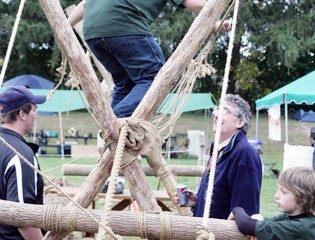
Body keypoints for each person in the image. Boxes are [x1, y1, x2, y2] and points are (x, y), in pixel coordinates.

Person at [68, 0, 231, 118]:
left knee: (126, 84)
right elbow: (200, 5)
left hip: (92, 32)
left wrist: (65, 28)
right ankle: (114, 122)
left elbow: (84, 4)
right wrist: (215, 22)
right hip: (123, 26)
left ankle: (112, 132)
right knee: (155, 77)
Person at [174, 94, 262, 219]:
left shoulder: (244, 153)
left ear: (240, 122)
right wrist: (197, 202)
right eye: (217, 110)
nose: (216, 115)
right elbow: (220, 196)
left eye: (224, 111)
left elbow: (244, 209)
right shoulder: (218, 150)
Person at [0, 86, 47, 240]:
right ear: (22, 114)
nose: (37, 116)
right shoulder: (21, 154)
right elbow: (22, 217)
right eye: (34, 110)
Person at [229, 167, 315, 239]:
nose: (276, 195)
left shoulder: (301, 227)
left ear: (303, 199)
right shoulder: (289, 216)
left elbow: (246, 226)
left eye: (284, 192)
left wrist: (237, 210)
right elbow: (263, 223)